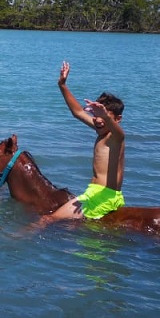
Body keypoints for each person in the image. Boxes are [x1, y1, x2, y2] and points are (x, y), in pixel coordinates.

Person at [49, 60, 125, 219]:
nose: (97, 120)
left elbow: (120, 133)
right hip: (94, 193)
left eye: (103, 117)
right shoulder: (102, 132)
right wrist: (62, 85)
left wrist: (105, 116)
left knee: (47, 220)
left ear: (117, 119)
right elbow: (77, 112)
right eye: (95, 116)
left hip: (105, 196)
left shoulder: (115, 138)